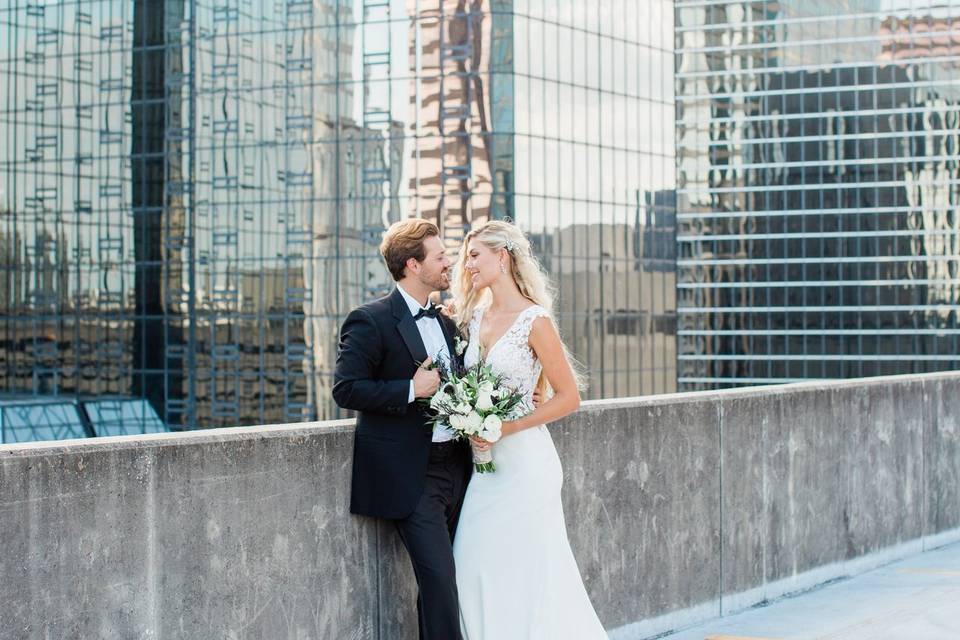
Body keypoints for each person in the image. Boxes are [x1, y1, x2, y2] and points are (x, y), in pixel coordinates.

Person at [450, 220, 607, 639]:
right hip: (485, 469)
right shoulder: (474, 317)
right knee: (470, 565)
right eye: (466, 257)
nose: (468, 265)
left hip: (526, 466)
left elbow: (569, 396)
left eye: (475, 255)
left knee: (531, 575)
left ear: (502, 257)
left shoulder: (534, 320)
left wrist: (508, 425)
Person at [333, 218, 471, 640]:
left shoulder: (446, 322)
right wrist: (411, 389)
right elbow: (347, 388)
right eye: (441, 255)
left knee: (449, 582)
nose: (450, 261)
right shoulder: (370, 320)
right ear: (413, 264)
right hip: (412, 477)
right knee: (441, 581)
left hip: (459, 469)